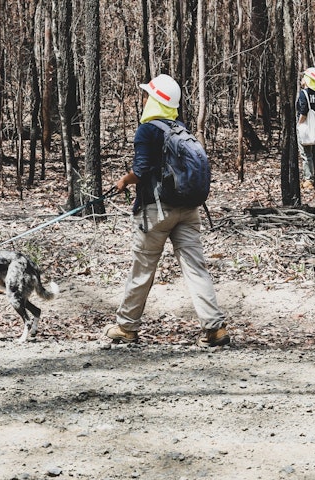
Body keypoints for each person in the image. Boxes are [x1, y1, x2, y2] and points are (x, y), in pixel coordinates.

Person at [103, 74, 229, 348]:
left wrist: (124, 181)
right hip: (189, 209)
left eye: (147, 95)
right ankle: (214, 329)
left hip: (156, 212)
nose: (144, 99)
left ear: (155, 100)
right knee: (196, 269)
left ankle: (126, 326)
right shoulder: (180, 128)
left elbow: (142, 169)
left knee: (143, 268)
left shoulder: (147, 129)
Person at [296, 67, 315, 190]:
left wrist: (299, 124)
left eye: (304, 77)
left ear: (308, 79)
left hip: (305, 128)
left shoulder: (304, 94)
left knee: (306, 155)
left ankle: (308, 181)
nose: (302, 79)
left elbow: (303, 111)